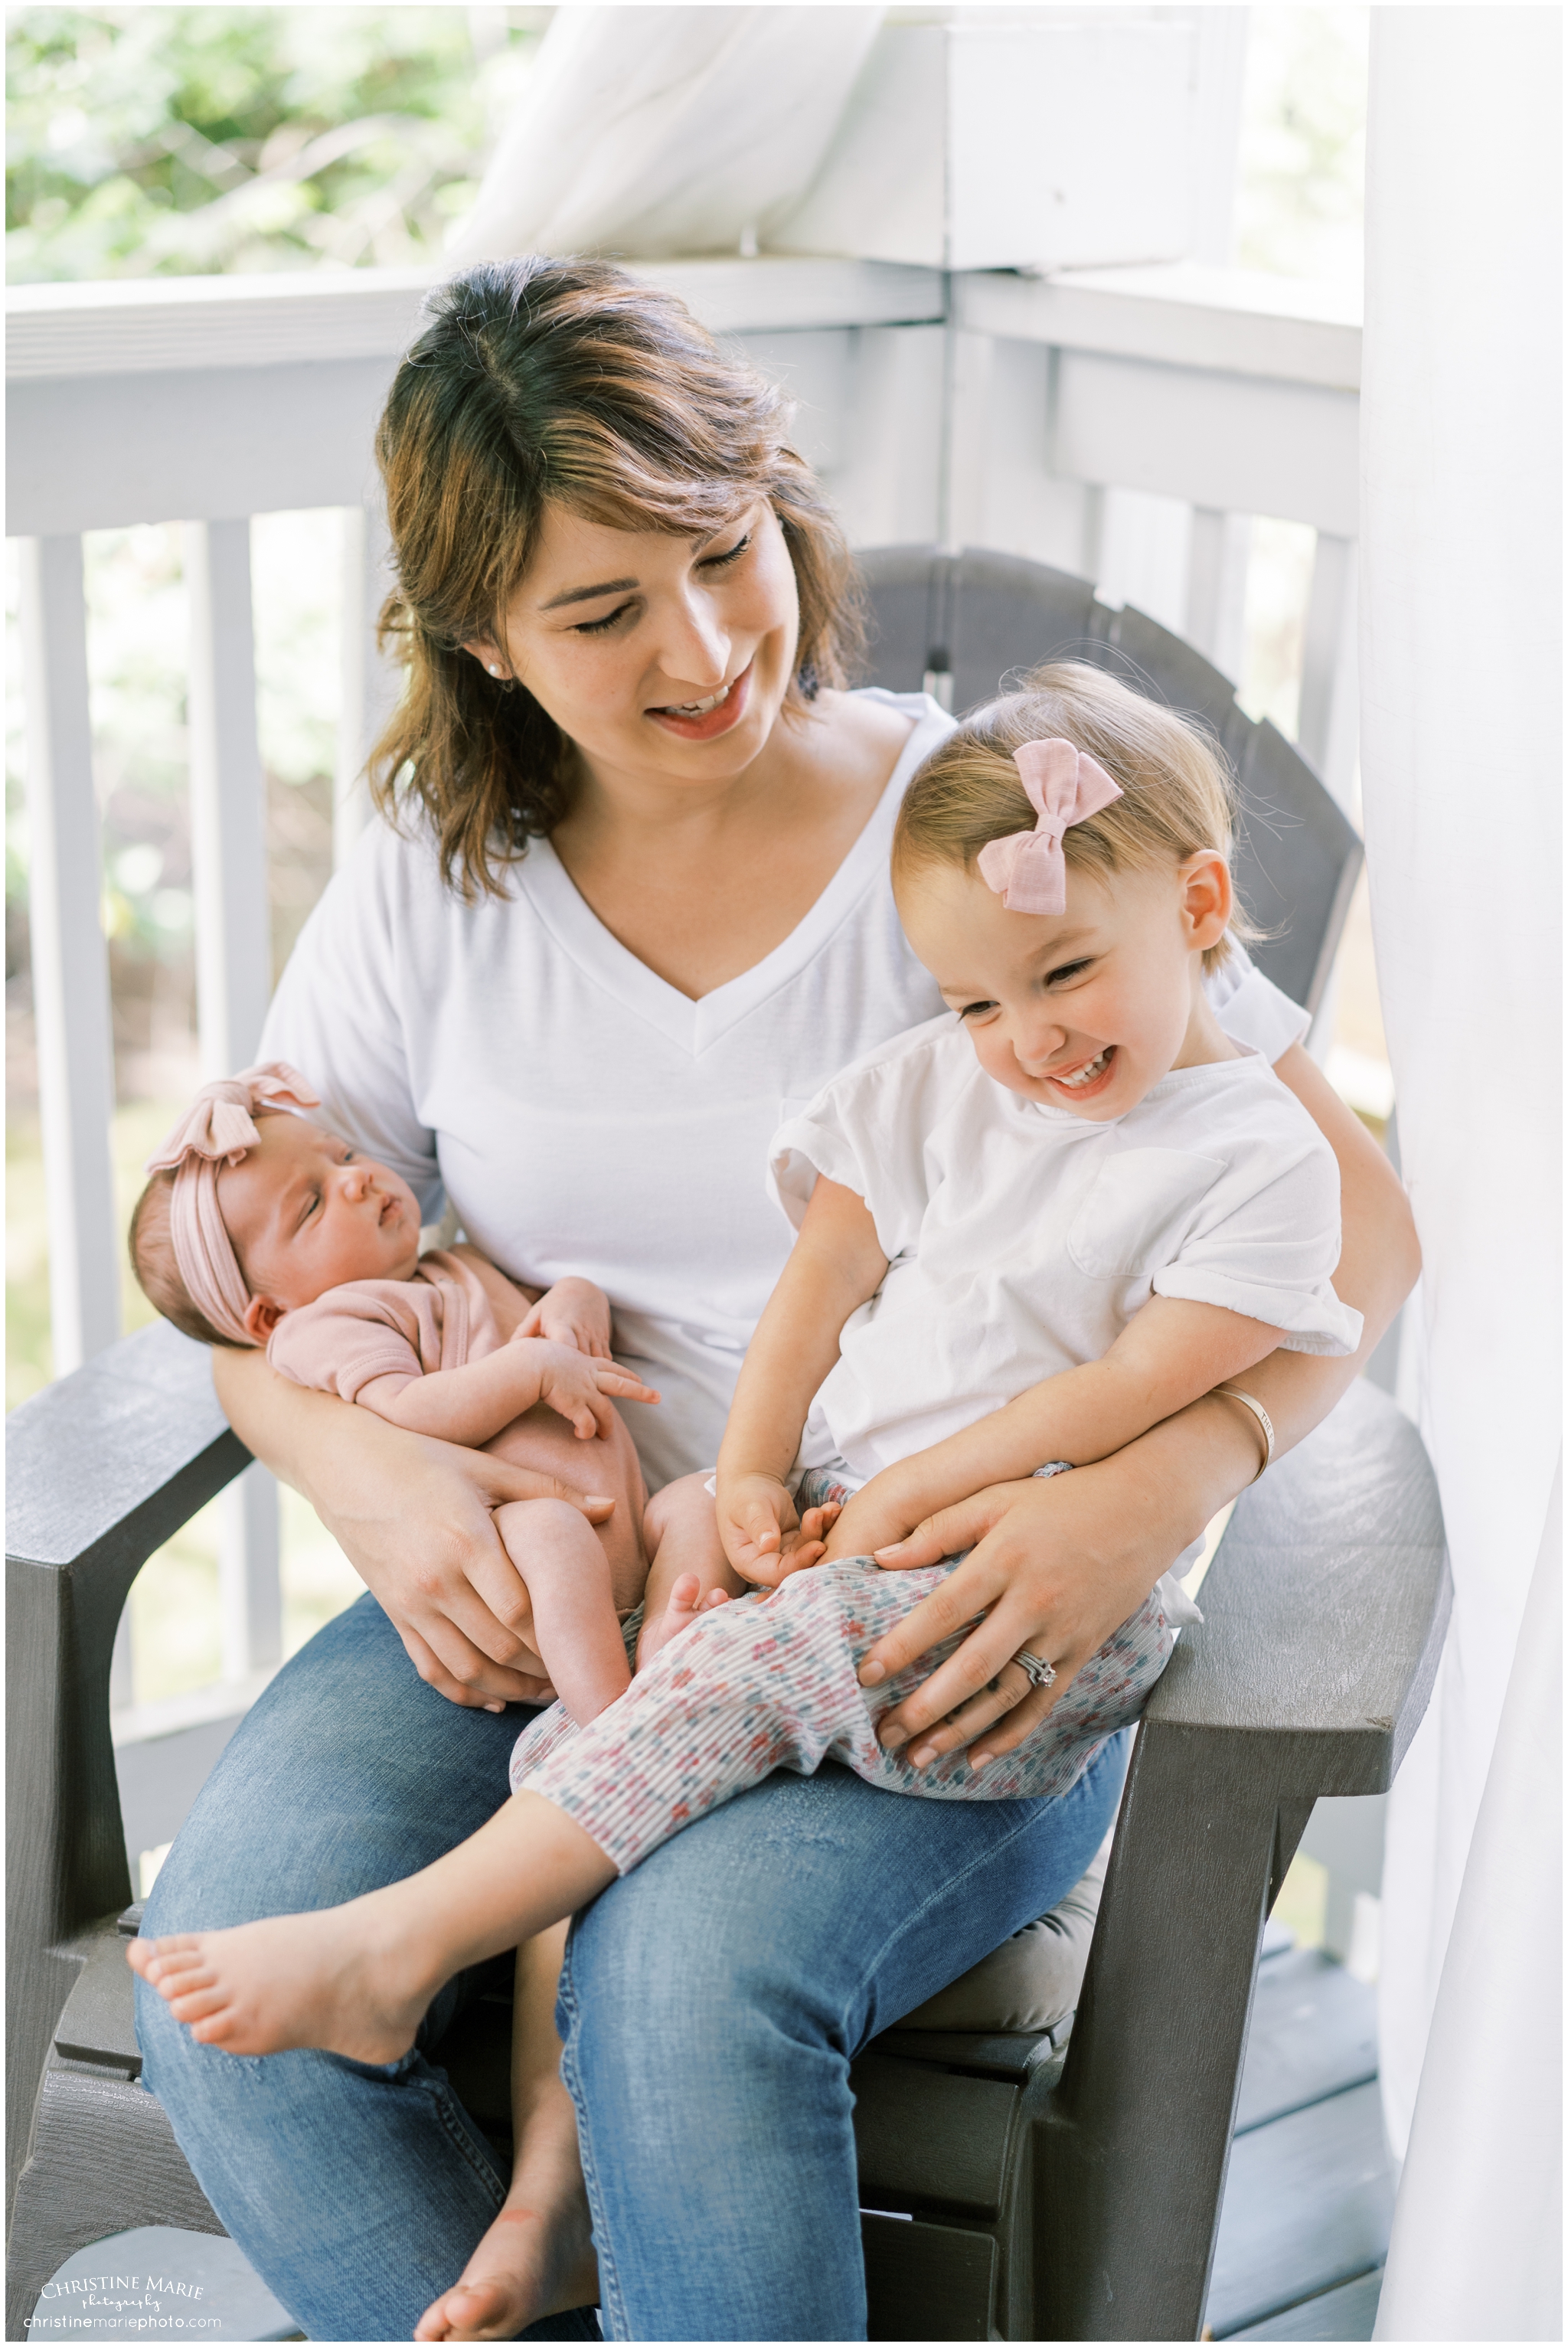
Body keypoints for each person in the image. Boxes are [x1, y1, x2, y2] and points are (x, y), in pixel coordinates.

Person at [132, 256, 1419, 2346]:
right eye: (601, 608)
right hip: (539, 1565)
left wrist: (1158, 1479)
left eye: (721, 554)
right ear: (480, 635)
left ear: (775, 502)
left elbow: (1351, 1228)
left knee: (677, 1992)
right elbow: (247, 1306)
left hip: (925, 1577)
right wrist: (364, 1477)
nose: (709, 644)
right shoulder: (430, 871)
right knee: (237, 1992)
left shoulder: (978, 834)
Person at [128, 1064, 746, 1723]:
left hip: (629, 1525)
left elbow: (535, 1310)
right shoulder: (329, 1325)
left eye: (344, 1154)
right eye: (311, 1204)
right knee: (554, 1531)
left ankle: (665, 1639)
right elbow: (409, 1410)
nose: (355, 1177)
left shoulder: (451, 1264)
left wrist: (576, 1298)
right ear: (268, 1316)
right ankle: (610, 1719)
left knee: (700, 1499)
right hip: (520, 1560)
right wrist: (532, 1368)